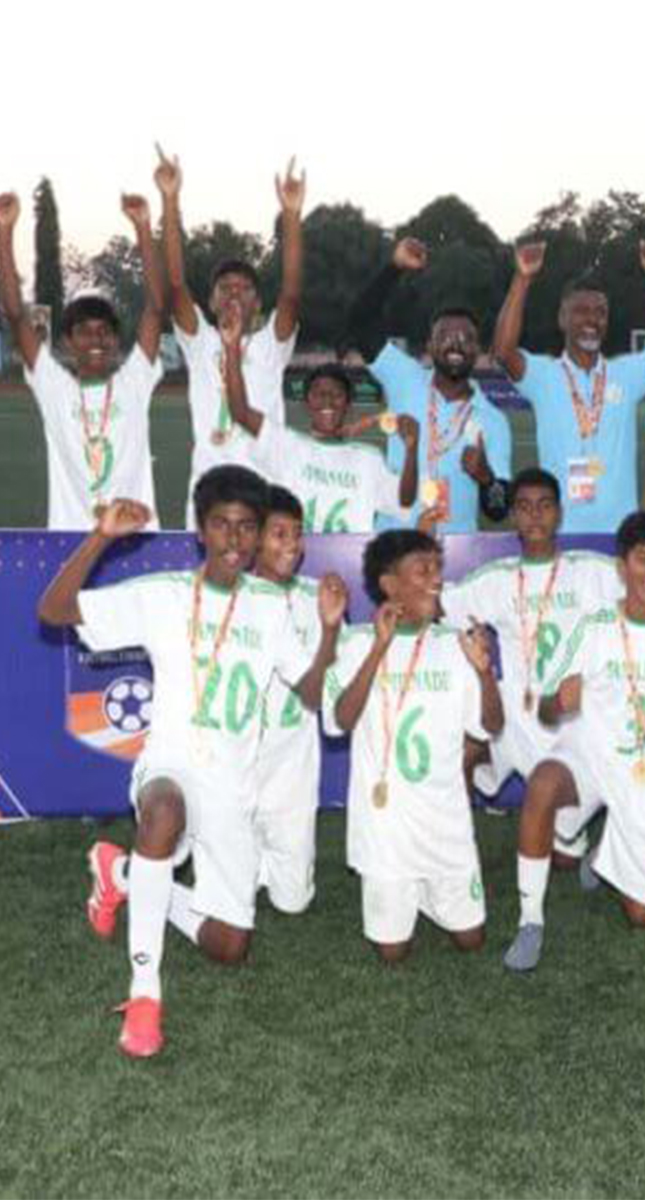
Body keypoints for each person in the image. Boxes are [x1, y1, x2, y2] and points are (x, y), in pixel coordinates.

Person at [39, 466, 344, 1058]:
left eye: (247, 528)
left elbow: (309, 694)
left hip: (234, 787)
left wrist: (329, 633)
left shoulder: (272, 609)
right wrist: (100, 538)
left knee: (230, 946)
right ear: (200, 531)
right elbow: (53, 612)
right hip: (172, 765)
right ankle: (145, 995)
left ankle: (121, 873)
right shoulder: (165, 594)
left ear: (257, 537)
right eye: (221, 525)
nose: (234, 539)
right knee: (163, 814)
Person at [505, 512, 645, 970]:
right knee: (542, 782)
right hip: (591, 759)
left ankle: (605, 852)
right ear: (622, 567)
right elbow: (545, 711)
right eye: (643, 560)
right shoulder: (593, 625)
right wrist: (560, 701)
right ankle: (530, 920)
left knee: (643, 917)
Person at [323, 530, 502, 962]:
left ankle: (427, 890)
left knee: (471, 941)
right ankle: (407, 889)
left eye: (438, 567)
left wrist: (483, 673)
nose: (437, 578)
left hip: (445, 823)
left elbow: (491, 726)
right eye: (423, 569)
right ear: (389, 584)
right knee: (392, 952)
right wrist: (379, 650)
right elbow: (338, 722)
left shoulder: (456, 644)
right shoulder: (354, 643)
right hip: (386, 829)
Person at [441, 467, 625, 812]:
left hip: (573, 717)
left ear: (559, 513)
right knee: (462, 740)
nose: (535, 515)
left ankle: (581, 826)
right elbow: (438, 606)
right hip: (517, 714)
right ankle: (457, 844)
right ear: (512, 516)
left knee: (562, 855)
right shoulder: (497, 578)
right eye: (524, 507)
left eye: (544, 505)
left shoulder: (590, 571)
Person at [490, 239, 645, 534]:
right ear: (562, 318)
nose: (592, 319)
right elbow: (503, 352)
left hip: (620, 535)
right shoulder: (543, 375)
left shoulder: (627, 373)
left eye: (600, 312)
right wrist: (522, 279)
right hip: (559, 532)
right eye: (581, 310)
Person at [1, 190, 165, 529]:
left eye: (104, 330)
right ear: (67, 341)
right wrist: (4, 233)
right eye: (85, 331)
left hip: (137, 539)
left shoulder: (134, 381)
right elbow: (17, 316)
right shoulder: (54, 387)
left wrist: (144, 228)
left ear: (117, 340)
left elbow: (155, 308)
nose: (96, 339)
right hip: (72, 544)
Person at [157, 148, 302, 526]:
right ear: (210, 301)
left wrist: (290, 214)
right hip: (209, 492)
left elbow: (291, 292)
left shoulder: (271, 344)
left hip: (266, 486)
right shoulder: (200, 340)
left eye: (243, 288)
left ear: (258, 303)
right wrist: (170, 200)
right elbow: (175, 283)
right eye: (225, 287)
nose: (234, 293)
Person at [345, 237, 513, 532]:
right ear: (429, 345)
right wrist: (394, 268)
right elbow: (361, 322)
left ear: (479, 350)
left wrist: (486, 478)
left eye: (466, 338)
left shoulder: (493, 420)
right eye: (445, 335)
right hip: (394, 544)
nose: (456, 344)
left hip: (455, 558)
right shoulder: (404, 377)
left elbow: (499, 510)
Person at [224, 315, 418, 532]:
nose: (328, 400)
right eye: (319, 394)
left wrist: (411, 451)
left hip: (349, 562)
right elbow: (240, 413)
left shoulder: (368, 459)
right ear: (307, 403)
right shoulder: (286, 445)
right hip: (295, 560)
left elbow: (405, 502)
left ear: (348, 404)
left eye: (336, 394)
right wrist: (231, 348)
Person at [249, 485, 334, 914]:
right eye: (279, 534)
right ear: (255, 539)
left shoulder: (314, 597)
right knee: (232, 897)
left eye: (297, 534)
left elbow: (326, 681)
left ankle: (262, 865)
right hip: (238, 771)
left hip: (291, 773)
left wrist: (332, 626)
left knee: (294, 903)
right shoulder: (233, 595)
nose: (291, 545)